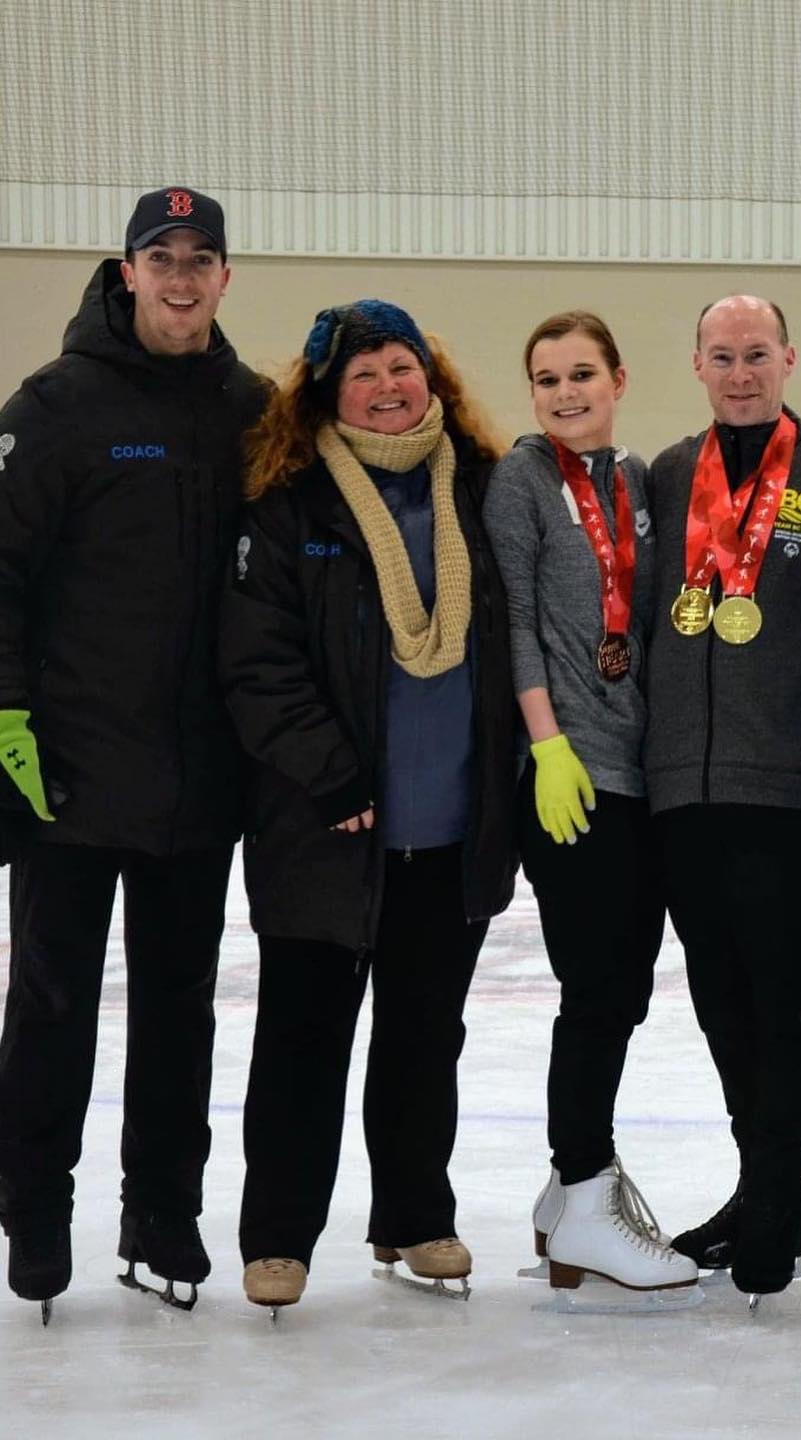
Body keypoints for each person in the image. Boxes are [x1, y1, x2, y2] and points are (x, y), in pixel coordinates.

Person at [0, 187, 268, 1320]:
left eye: (200, 258)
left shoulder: (253, 409)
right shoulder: (57, 405)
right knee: (52, 1001)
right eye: (160, 256)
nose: (180, 276)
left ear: (223, 277)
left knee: (180, 1005)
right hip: (64, 770)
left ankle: (161, 1213)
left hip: (199, 781)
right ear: (124, 272)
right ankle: (37, 1208)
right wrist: (8, 718)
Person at [218, 301, 516, 1312]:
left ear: (432, 377)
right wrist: (333, 776)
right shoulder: (292, 503)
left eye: (403, 366)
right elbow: (256, 666)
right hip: (327, 829)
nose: (389, 386)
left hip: (451, 823)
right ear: (325, 395)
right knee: (304, 1041)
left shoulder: (480, 487)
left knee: (424, 1040)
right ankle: (278, 1238)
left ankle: (415, 1218)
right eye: (364, 374)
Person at [645, 295, 801, 1299]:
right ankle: (766, 1183)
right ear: (696, 364)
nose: (741, 372)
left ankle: (782, 1195)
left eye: (758, 355)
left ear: (790, 357)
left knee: (782, 1006)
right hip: (681, 787)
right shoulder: (663, 475)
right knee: (721, 1005)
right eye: (723, 356)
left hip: (784, 789)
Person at [482, 311, 696, 1295]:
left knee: (626, 986)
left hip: (644, 774)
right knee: (597, 989)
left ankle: (566, 1196)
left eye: (580, 375)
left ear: (617, 378)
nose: (564, 394)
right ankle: (582, 1184)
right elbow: (518, 619)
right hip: (571, 776)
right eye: (545, 379)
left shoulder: (639, 482)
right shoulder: (523, 478)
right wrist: (547, 742)